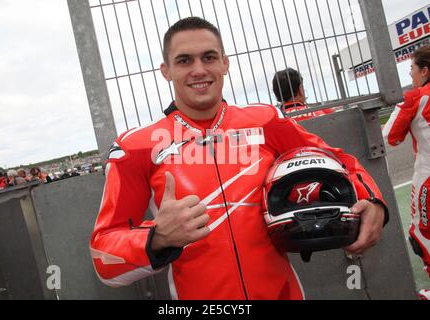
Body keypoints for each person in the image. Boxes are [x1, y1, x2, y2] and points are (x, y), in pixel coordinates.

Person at [90, 17, 388, 300]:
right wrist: (156, 239)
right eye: (184, 60)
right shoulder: (136, 146)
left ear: (225, 63)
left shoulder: (265, 120)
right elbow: (103, 256)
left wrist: (374, 202)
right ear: (165, 70)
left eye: (208, 57)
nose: (198, 70)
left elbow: (337, 161)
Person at [382, 45, 430, 300]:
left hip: (429, 177)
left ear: (424, 71)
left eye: (412, 68)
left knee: (421, 233)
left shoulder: (415, 98)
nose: (410, 74)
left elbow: (389, 137)